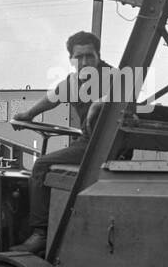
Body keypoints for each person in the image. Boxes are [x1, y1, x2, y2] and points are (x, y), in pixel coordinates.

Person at [10, 31, 111, 255]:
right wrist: (28, 114)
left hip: (104, 144)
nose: (85, 62)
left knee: (41, 166)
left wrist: (98, 104)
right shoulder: (73, 81)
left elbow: (127, 94)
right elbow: (52, 98)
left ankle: (41, 232)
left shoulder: (113, 75)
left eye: (89, 56)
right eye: (79, 57)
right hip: (88, 143)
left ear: (98, 56)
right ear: (71, 60)